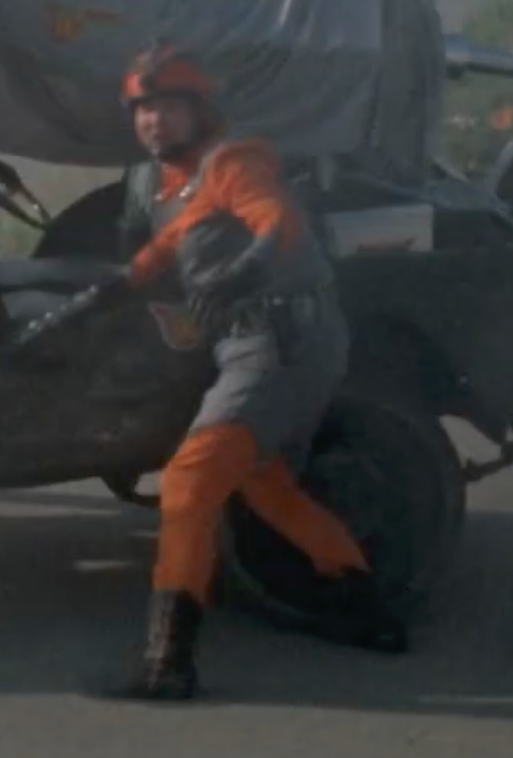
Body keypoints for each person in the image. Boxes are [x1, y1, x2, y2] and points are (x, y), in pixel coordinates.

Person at [93, 44, 406, 701]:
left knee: (190, 482)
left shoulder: (233, 162)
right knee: (264, 482)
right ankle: (369, 613)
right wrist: (115, 287)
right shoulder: (179, 187)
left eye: (168, 106)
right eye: (144, 109)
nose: (154, 120)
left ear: (199, 111)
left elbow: (277, 220)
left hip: (279, 338)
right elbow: (168, 246)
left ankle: (167, 663)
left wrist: (246, 268)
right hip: (257, 343)